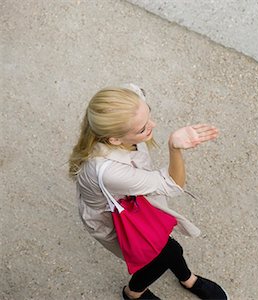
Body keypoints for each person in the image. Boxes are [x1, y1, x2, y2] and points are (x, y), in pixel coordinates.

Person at [69, 84, 228, 300]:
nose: (153, 125)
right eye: (143, 128)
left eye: (149, 114)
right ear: (114, 139)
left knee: (164, 248)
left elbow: (135, 90)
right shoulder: (109, 172)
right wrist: (175, 147)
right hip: (114, 220)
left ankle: (186, 279)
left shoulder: (124, 109)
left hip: (133, 201)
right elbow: (172, 184)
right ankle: (134, 293)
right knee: (161, 255)